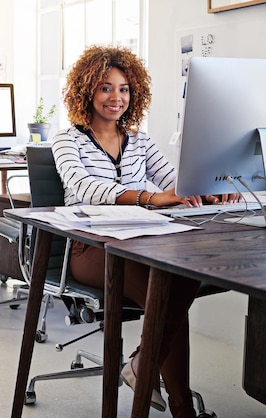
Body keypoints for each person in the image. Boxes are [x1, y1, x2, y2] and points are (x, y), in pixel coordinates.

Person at [51, 45, 239, 418]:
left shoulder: (140, 140)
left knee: (178, 280)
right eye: (106, 88)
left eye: (123, 89)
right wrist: (151, 198)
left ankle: (141, 365)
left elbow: (176, 181)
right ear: (86, 90)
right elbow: (88, 188)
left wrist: (208, 185)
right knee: (166, 293)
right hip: (92, 249)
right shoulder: (66, 139)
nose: (116, 98)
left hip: (145, 243)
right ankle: (179, 406)